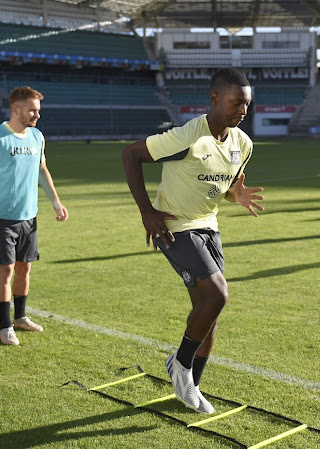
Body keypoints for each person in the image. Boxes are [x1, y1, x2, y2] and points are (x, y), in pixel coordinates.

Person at [122, 68, 264, 414]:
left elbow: (223, 187)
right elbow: (131, 155)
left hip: (209, 228)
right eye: (236, 103)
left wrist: (236, 196)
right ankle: (180, 365)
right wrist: (147, 211)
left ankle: (191, 386)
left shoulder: (242, 144)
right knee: (218, 295)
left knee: (208, 310)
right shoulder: (188, 136)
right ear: (215, 98)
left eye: (246, 104)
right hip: (175, 228)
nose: (242, 111)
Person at [0, 86, 68, 346]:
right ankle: (5, 328)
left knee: (25, 268)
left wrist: (56, 202)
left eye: (38, 110)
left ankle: (21, 317)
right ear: (16, 109)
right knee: (6, 269)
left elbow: (42, 169)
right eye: (32, 110)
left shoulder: (37, 136)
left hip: (29, 216)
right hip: (2, 218)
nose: (37, 115)